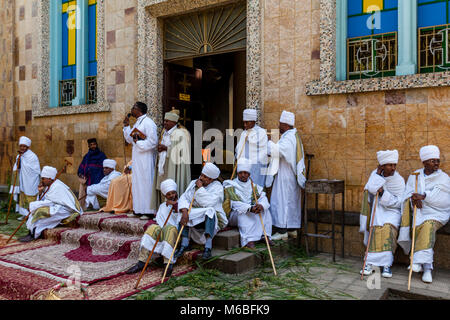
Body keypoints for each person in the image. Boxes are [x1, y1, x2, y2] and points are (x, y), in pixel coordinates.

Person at [398, 145, 450, 283]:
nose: (437, 163)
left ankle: (417, 262)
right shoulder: (415, 176)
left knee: (427, 225)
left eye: (437, 160)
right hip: (419, 211)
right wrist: (412, 199)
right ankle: (427, 268)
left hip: (437, 213)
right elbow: (406, 194)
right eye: (433, 161)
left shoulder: (444, 178)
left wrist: (425, 196)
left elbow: (444, 199)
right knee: (418, 227)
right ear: (424, 162)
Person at [359, 150, 405, 278]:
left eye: (394, 165)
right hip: (377, 209)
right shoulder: (375, 175)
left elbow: (399, 202)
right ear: (382, 166)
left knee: (387, 228)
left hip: (392, 212)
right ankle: (370, 263)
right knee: (376, 227)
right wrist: (377, 176)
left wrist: (384, 193)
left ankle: (386, 265)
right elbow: (369, 190)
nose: (393, 168)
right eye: (390, 165)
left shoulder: (399, 180)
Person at [126, 179, 180, 277]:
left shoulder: (182, 203)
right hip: (163, 232)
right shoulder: (163, 206)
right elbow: (160, 221)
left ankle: (168, 264)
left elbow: (182, 217)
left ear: (176, 192)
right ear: (165, 196)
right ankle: (141, 263)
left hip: (176, 234)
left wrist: (175, 206)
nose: (172, 195)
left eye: (173, 193)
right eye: (168, 194)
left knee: (170, 229)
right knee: (152, 228)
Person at [174, 162, 228, 260]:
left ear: (211, 179)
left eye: (205, 176)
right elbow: (184, 197)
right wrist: (185, 211)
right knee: (182, 213)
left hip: (213, 215)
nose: (201, 178)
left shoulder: (217, 187)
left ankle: (208, 247)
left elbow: (208, 203)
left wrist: (200, 188)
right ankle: (184, 244)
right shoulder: (193, 183)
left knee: (210, 211)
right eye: (201, 175)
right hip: (196, 212)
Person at [265, 111, 306, 241]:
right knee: (290, 203)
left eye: (280, 124)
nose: (278, 126)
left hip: (286, 176)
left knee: (282, 202)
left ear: (286, 124)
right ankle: (292, 229)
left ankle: (282, 230)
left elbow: (278, 151)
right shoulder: (292, 136)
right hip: (287, 175)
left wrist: (269, 142)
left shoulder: (289, 137)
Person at [19, 166, 83, 242]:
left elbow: (49, 202)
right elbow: (46, 200)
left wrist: (33, 206)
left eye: (43, 178)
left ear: (49, 178)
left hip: (66, 210)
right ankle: (31, 233)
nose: (41, 180)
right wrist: (40, 193)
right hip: (57, 206)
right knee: (37, 212)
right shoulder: (50, 186)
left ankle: (34, 234)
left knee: (40, 212)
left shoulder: (57, 186)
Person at [223, 158, 273, 248]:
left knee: (266, 211)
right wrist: (250, 208)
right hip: (235, 215)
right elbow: (235, 203)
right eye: (240, 173)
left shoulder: (254, 186)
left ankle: (265, 236)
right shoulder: (231, 186)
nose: (243, 175)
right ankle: (248, 240)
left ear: (249, 174)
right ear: (237, 173)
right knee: (243, 213)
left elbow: (263, 198)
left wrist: (261, 206)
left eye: (245, 173)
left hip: (252, 211)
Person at [150, 110, 191, 213]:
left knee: (171, 187)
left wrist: (166, 149)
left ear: (174, 122)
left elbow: (182, 152)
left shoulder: (179, 133)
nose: (165, 123)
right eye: (164, 121)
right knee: (161, 187)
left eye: (167, 121)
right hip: (163, 164)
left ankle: (172, 211)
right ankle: (162, 211)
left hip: (173, 166)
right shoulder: (165, 133)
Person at [123, 102, 158, 220]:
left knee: (146, 183)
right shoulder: (138, 122)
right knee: (137, 183)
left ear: (139, 110)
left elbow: (153, 142)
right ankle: (138, 210)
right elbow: (129, 139)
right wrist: (126, 126)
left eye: (133, 108)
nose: (131, 109)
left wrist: (139, 143)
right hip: (137, 158)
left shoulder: (149, 123)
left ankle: (148, 211)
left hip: (146, 158)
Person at [234, 109, 269, 186]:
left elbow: (263, 152)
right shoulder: (244, 133)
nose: (245, 125)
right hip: (243, 169)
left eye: (247, 122)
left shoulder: (261, 132)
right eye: (244, 122)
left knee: (254, 190)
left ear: (253, 121)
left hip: (255, 169)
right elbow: (238, 149)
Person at [10, 136, 41, 221]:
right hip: (22, 180)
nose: (22, 148)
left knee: (31, 196)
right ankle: (24, 214)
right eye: (21, 146)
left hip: (31, 180)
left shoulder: (32, 156)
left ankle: (31, 214)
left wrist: (24, 164)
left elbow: (36, 170)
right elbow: (18, 167)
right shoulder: (19, 156)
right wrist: (19, 160)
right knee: (23, 196)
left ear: (27, 147)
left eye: (24, 146)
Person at [77, 138, 107, 204]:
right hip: (88, 179)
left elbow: (106, 167)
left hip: (99, 178)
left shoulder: (101, 155)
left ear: (96, 145)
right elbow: (82, 167)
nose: (93, 146)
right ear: (89, 146)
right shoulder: (86, 157)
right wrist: (82, 174)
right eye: (91, 145)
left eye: (94, 144)